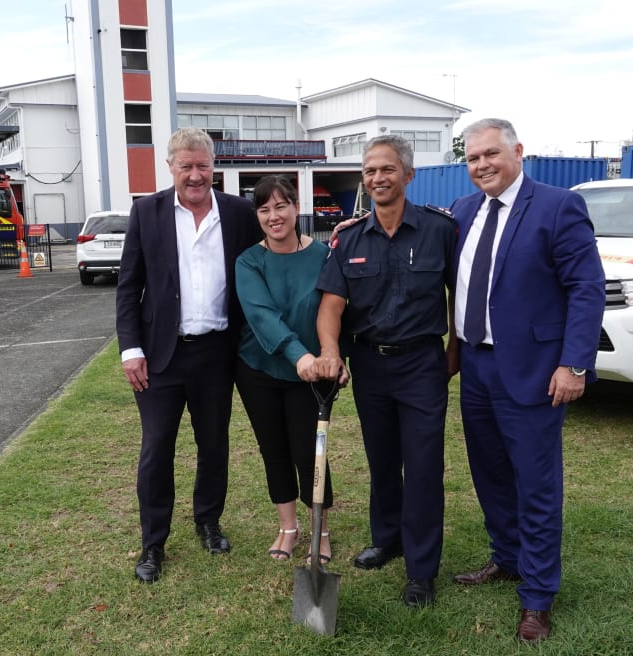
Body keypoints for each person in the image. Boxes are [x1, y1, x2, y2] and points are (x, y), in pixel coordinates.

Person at [450, 118, 605, 642]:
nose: (482, 166)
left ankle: (537, 597)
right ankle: (508, 558)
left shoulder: (558, 206)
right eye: (472, 158)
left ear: (518, 151)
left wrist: (574, 363)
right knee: (490, 471)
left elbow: (587, 287)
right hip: (475, 366)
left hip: (536, 372)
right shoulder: (462, 211)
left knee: (537, 485)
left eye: (491, 154)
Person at [313, 134, 458, 608]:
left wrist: (454, 349)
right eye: (371, 170)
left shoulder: (440, 231)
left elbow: (464, 296)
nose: (378, 178)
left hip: (421, 363)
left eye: (388, 169)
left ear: (408, 175)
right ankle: (388, 538)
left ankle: (421, 569)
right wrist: (331, 350)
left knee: (422, 466)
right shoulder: (349, 237)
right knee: (382, 461)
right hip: (369, 365)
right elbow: (331, 306)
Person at [116, 127, 263, 584]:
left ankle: (208, 520)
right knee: (157, 448)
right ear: (171, 167)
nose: (195, 175)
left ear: (214, 166)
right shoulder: (147, 212)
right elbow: (128, 286)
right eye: (186, 166)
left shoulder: (239, 213)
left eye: (203, 166)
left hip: (218, 353)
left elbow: (277, 246)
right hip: (160, 355)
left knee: (214, 443)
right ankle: (153, 542)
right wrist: (131, 349)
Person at [234, 175, 347, 565]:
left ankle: (321, 530)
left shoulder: (323, 255)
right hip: (259, 370)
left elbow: (335, 310)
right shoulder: (249, 261)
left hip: (312, 375)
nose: (273, 215)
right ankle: (288, 528)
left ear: (297, 208)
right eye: (264, 209)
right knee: (275, 450)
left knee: (311, 451)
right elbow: (263, 316)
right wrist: (299, 356)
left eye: (281, 206)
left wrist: (334, 358)